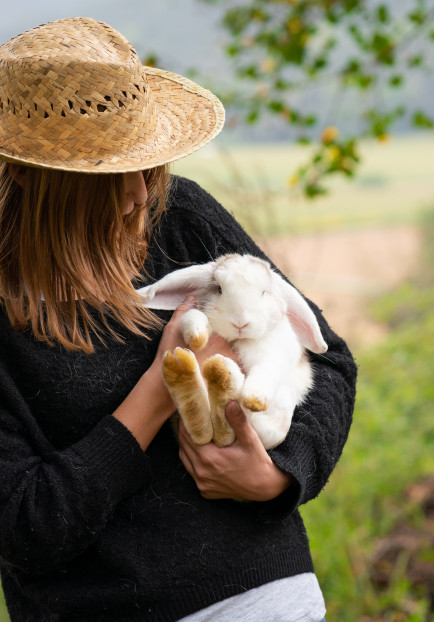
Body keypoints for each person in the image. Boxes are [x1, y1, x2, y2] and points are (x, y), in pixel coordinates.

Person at [0, 16, 356, 622]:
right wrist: (160, 391)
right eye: (117, 175)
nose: (143, 193)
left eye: (149, 164)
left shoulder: (181, 213)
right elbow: (30, 527)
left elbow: (326, 359)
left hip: (271, 600)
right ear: (52, 186)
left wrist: (276, 474)